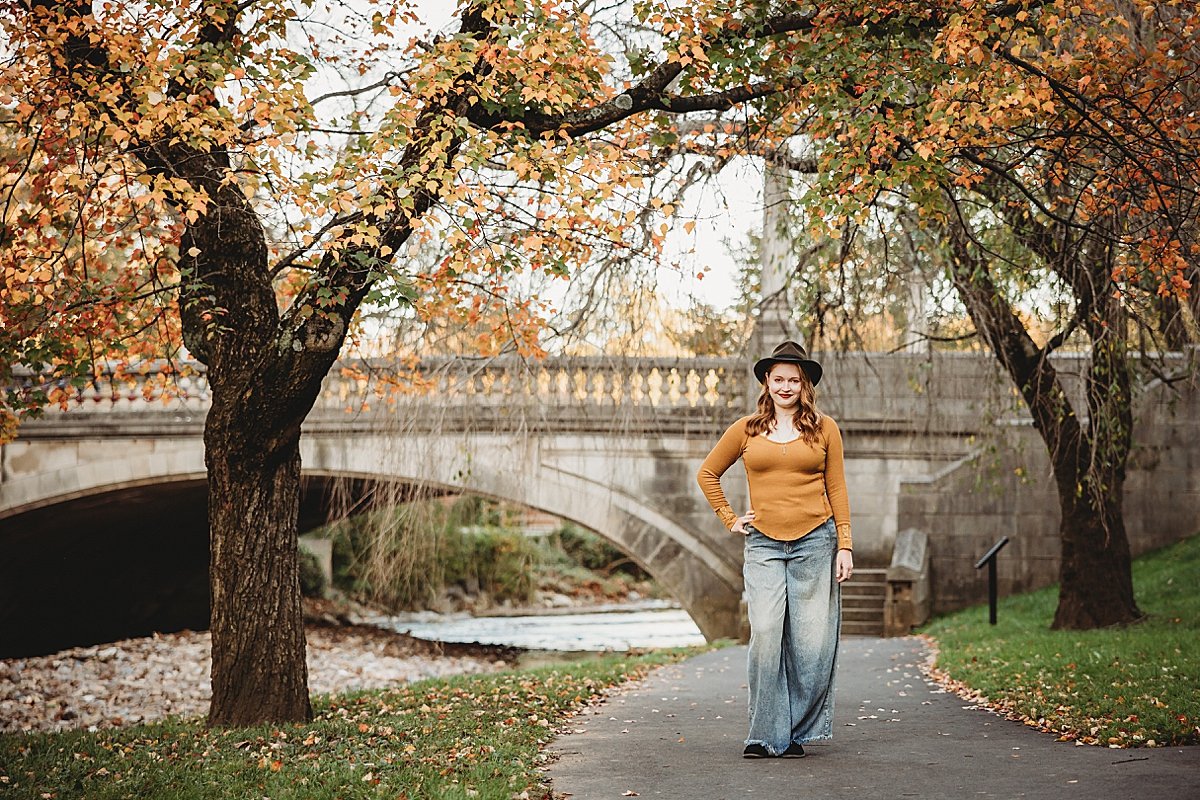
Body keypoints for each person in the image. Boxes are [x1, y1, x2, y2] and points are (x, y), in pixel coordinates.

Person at [696, 340, 854, 759]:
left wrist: (846, 545)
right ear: (767, 381)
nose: (785, 386)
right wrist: (731, 518)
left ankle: (793, 733)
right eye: (778, 378)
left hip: (816, 542)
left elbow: (836, 487)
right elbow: (708, 473)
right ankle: (764, 734)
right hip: (764, 543)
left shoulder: (825, 429)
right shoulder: (746, 429)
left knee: (810, 644)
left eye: (794, 380)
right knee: (766, 633)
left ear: (805, 385)